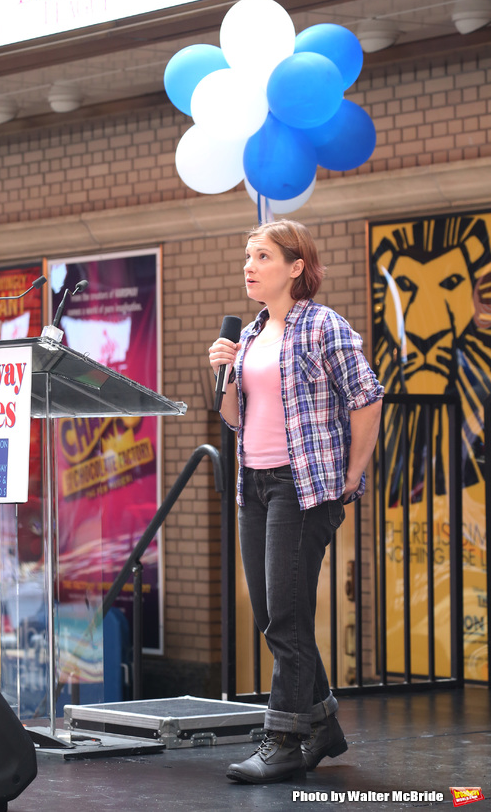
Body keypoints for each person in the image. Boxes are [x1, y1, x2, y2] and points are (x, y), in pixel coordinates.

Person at [208, 219, 384, 785]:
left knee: (285, 613)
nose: (249, 265)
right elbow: (234, 419)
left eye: (261, 255)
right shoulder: (253, 333)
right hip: (253, 485)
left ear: (296, 266)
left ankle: (283, 738)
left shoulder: (321, 326)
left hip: (301, 486)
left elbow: (367, 398)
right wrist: (225, 374)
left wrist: (351, 476)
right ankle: (322, 723)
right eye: (247, 255)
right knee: (269, 614)